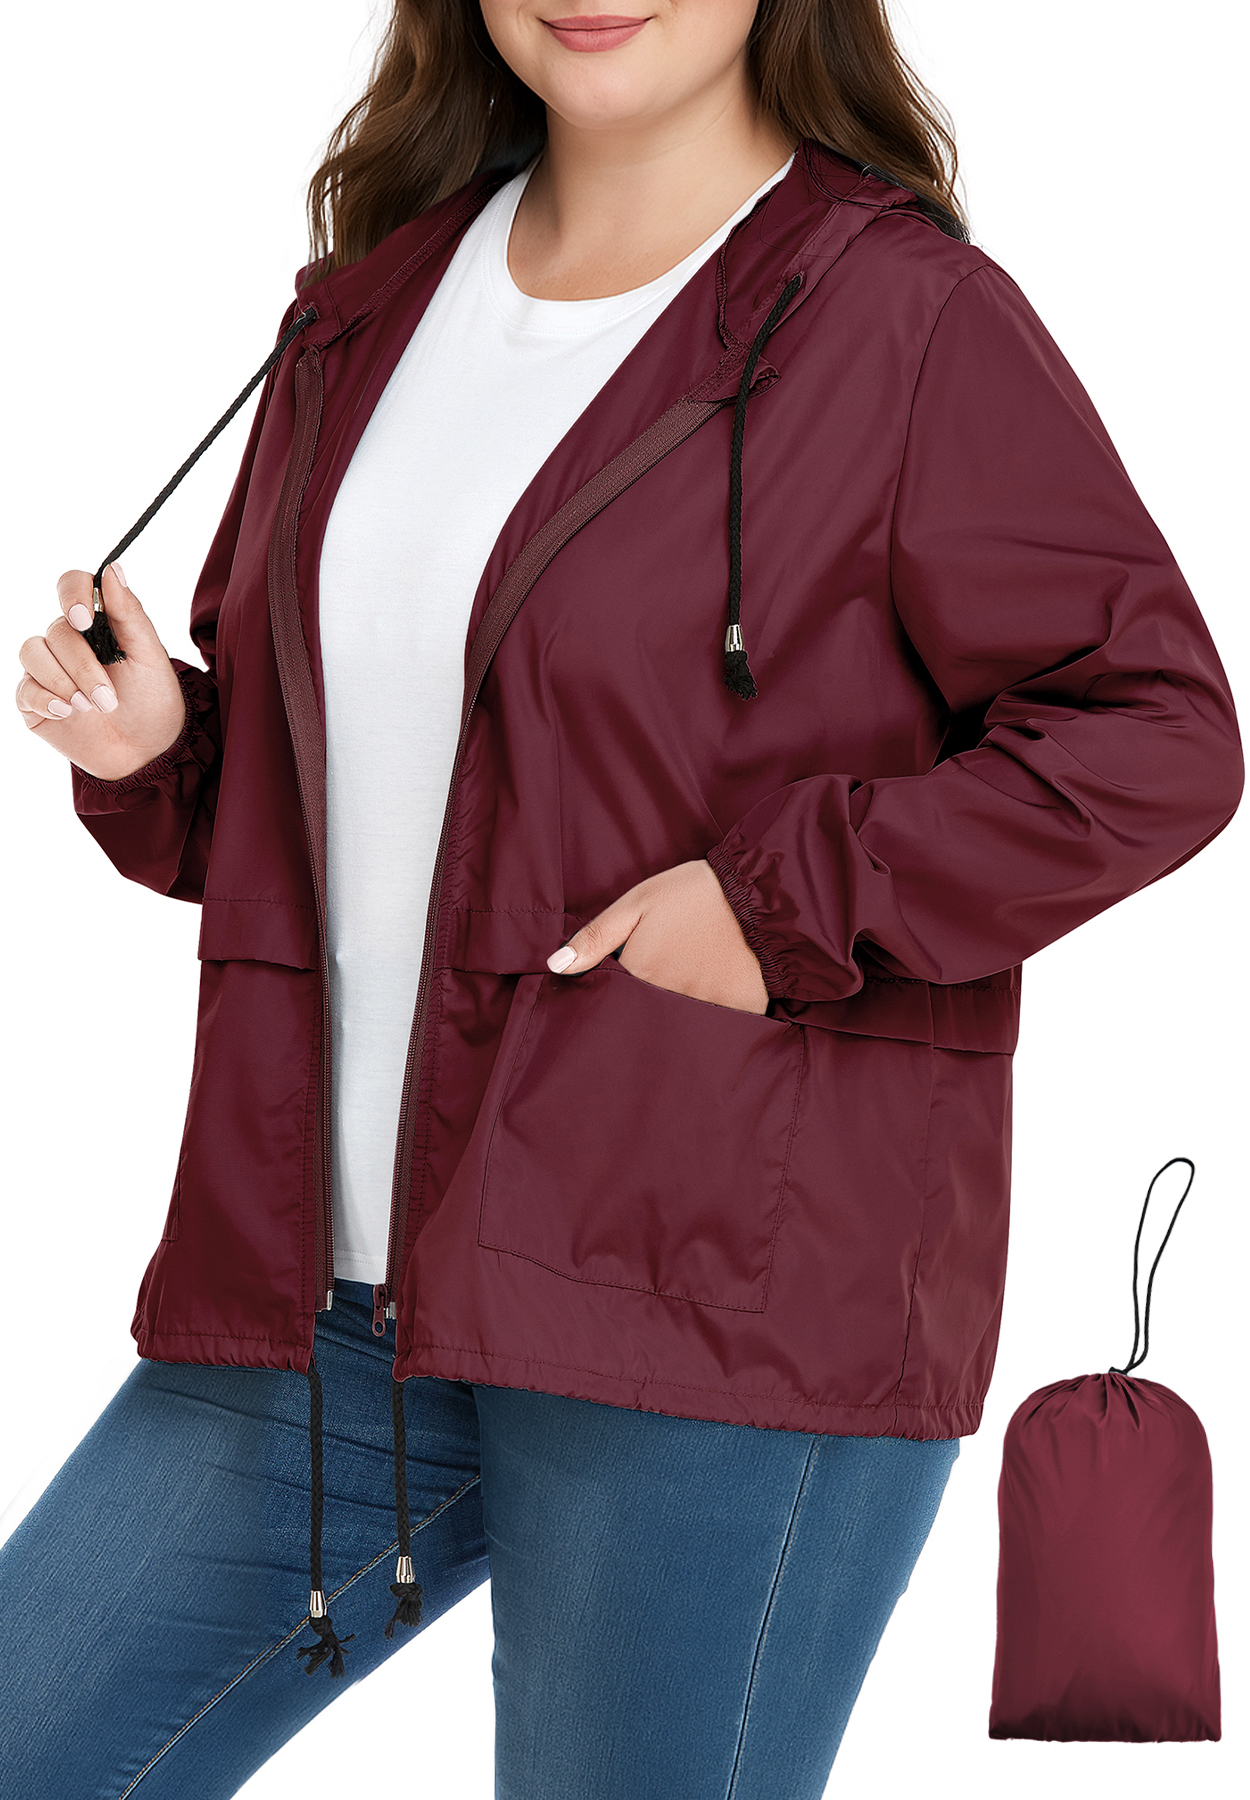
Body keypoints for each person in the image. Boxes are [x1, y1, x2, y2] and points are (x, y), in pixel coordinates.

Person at [4, 2, 1242, 1795]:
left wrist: (775, 904)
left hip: (713, 1290)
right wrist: (162, 752)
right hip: (319, 1295)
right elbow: (359, 818)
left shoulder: (899, 317)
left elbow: (1154, 734)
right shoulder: (364, 312)